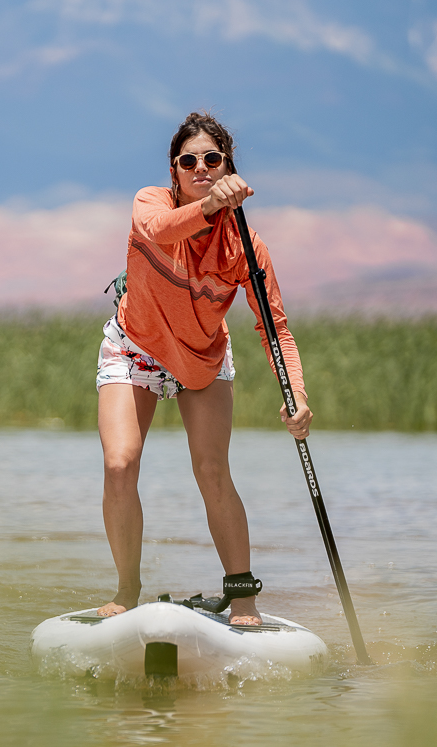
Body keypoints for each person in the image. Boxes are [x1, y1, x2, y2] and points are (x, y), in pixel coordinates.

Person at [95, 111, 312, 626]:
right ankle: (128, 589)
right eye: (188, 161)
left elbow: (274, 327)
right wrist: (211, 206)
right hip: (136, 346)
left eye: (212, 160)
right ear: (175, 170)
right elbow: (160, 230)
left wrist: (296, 394)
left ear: (227, 167)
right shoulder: (150, 203)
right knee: (120, 463)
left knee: (212, 470)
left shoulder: (246, 246)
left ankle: (242, 598)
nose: (200, 168)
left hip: (202, 357)